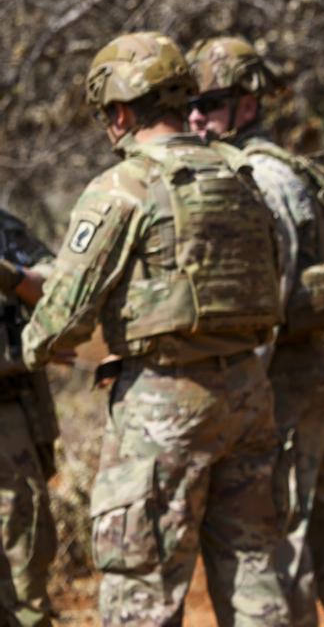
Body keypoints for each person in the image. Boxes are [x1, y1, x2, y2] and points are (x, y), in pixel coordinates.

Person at [22, 32, 290, 625]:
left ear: (118, 111)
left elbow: (61, 315)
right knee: (255, 574)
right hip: (250, 392)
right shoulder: (239, 173)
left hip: (163, 405)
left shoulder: (124, 186)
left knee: (140, 583)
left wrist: (31, 343)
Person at [186, 36, 324, 627]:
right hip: (310, 374)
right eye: (189, 106)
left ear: (246, 103)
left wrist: (237, 395)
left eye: (210, 102)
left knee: (284, 540)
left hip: (276, 382)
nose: (196, 117)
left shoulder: (251, 178)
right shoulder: (285, 168)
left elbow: (267, 300)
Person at [0, 210, 59, 627]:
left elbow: (59, 284)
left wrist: (10, 275)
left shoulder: (4, 228)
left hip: (7, 411)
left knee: (24, 542)